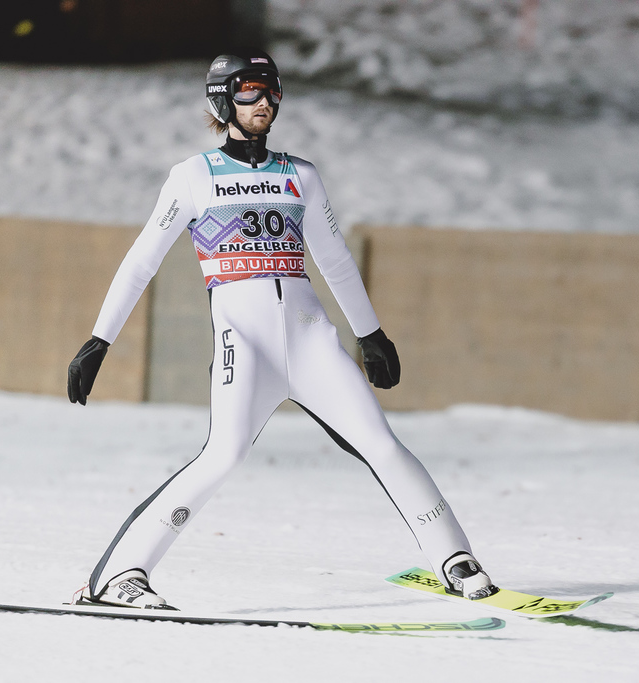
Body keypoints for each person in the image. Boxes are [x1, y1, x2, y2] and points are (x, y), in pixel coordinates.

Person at [65, 48, 499, 609]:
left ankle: (455, 558)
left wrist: (370, 334)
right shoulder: (193, 176)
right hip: (246, 343)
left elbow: (335, 259)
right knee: (223, 456)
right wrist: (99, 341)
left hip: (311, 338)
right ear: (222, 101)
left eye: (271, 89)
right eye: (249, 91)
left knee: (381, 443)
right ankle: (121, 575)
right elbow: (140, 262)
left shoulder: (301, 175)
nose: (263, 101)